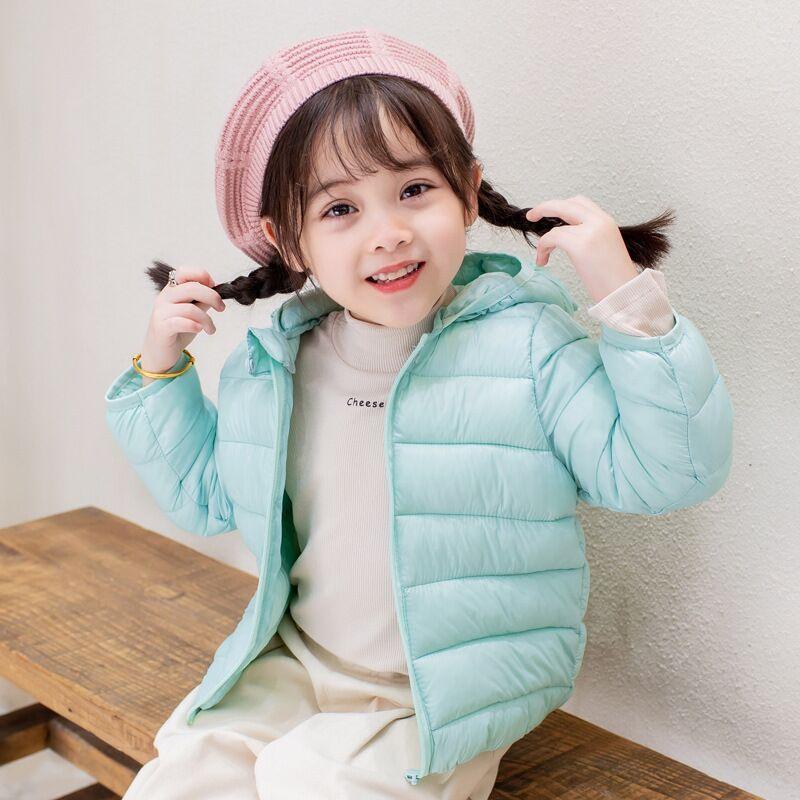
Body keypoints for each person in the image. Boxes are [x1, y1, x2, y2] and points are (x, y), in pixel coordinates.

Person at [104, 27, 734, 799]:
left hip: (444, 700)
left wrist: (625, 296)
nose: (389, 233)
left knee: (311, 781)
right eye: (340, 208)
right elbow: (208, 497)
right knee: (185, 775)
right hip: (296, 662)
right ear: (286, 241)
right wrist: (160, 370)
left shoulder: (528, 345)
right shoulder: (277, 360)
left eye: (413, 190)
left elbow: (671, 474)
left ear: (467, 191)